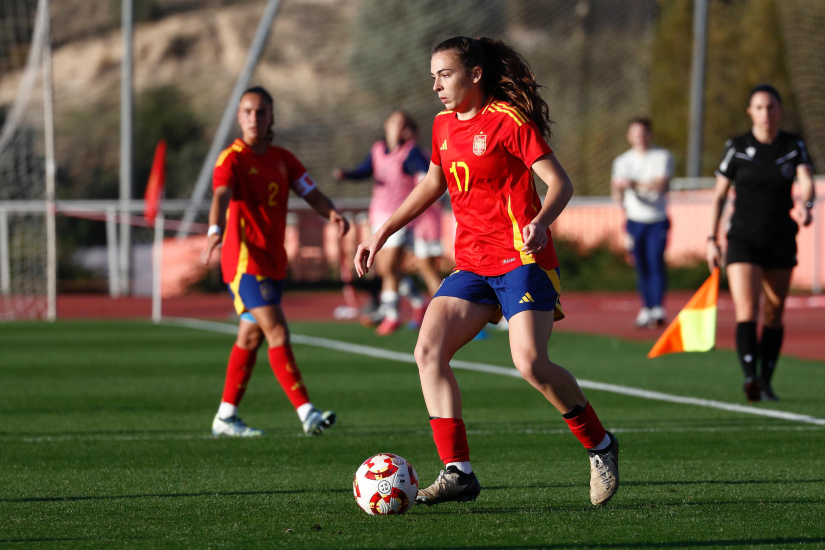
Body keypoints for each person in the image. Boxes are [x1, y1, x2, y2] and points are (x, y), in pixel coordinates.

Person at [355, 36, 619, 507]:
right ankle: (458, 471)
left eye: (445, 74)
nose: (436, 85)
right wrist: (383, 231)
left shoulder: (509, 121)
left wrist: (540, 222)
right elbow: (434, 183)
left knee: (531, 364)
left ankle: (600, 445)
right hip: (472, 263)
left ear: (475, 75)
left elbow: (561, 183)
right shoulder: (440, 127)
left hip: (522, 260)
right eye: (433, 75)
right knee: (428, 350)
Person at [203, 86, 350, 436]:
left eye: (261, 112)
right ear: (239, 117)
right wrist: (213, 229)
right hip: (245, 263)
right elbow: (221, 195)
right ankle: (307, 413)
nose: (255, 118)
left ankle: (225, 416)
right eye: (248, 112)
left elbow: (310, 191)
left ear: (271, 116)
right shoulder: (232, 158)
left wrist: (332, 213)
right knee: (277, 331)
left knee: (250, 339)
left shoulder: (284, 159)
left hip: (272, 263)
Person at [708, 84, 815, 403]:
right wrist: (712, 239)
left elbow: (807, 181)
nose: (765, 113)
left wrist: (806, 205)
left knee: (774, 312)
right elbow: (718, 196)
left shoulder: (793, 144)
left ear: (779, 110)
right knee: (747, 310)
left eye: (771, 107)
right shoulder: (737, 146)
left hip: (781, 236)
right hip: (743, 237)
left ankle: (766, 381)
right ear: (750, 112)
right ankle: (750, 378)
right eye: (759, 107)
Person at [333, 111, 440, 334]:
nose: (398, 128)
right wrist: (346, 174)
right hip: (378, 215)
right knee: (385, 269)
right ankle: (418, 302)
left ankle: (391, 314)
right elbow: (364, 171)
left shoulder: (410, 153)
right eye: (394, 123)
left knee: (391, 267)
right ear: (386, 125)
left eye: (402, 124)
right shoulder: (378, 150)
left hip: (399, 218)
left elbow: (429, 174)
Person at [611, 118, 674, 328]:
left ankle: (658, 307)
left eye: (643, 132)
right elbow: (616, 193)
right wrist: (619, 189)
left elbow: (660, 184)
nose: (640, 136)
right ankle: (646, 308)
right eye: (635, 132)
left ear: (650, 134)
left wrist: (633, 184)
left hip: (656, 219)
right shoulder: (621, 161)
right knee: (641, 265)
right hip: (634, 221)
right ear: (629, 136)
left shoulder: (662, 156)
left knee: (655, 261)